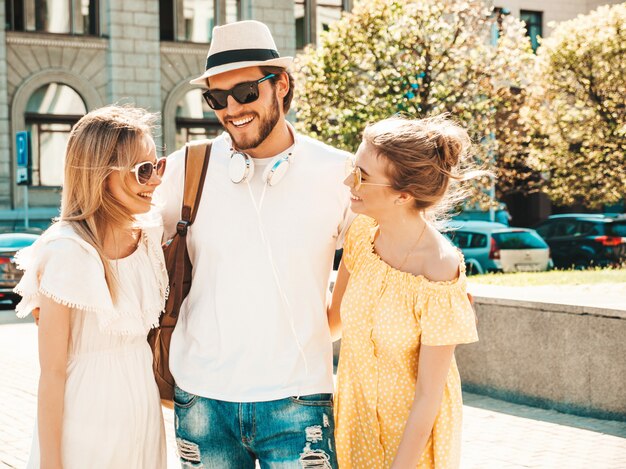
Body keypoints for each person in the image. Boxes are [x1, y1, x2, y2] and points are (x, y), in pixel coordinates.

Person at [155, 20, 351, 467]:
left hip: (299, 401)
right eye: (216, 99)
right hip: (202, 401)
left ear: (280, 84)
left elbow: (379, 259)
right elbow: (130, 239)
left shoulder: (337, 172)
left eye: (245, 92)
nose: (231, 109)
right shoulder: (188, 166)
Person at [15, 105, 168, 468]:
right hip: (85, 426)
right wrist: (51, 464)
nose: (156, 181)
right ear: (101, 175)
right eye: (143, 171)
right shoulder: (67, 251)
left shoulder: (150, 238)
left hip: (143, 419)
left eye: (156, 166)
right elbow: (51, 374)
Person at [329, 115, 480, 468]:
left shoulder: (440, 271)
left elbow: (430, 396)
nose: (348, 180)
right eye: (354, 167)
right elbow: (332, 324)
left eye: (362, 176)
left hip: (411, 446)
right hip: (354, 426)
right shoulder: (361, 235)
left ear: (403, 195)